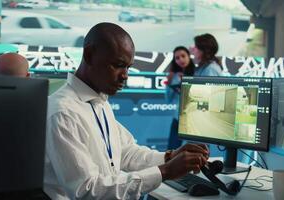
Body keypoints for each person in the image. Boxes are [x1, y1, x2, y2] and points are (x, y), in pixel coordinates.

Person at [44, 22, 209, 200]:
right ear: (90, 55)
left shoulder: (100, 102)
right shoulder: (62, 113)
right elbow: (87, 191)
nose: (125, 75)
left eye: (128, 67)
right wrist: (166, 171)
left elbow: (126, 152)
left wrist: (170, 156)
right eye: (118, 65)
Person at [165, 46, 195, 149]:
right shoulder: (175, 76)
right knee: (171, 150)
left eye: (183, 56)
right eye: (177, 58)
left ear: (189, 56)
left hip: (194, 119)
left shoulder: (198, 73)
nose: (180, 59)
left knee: (198, 151)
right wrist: (169, 83)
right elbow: (168, 100)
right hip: (178, 118)